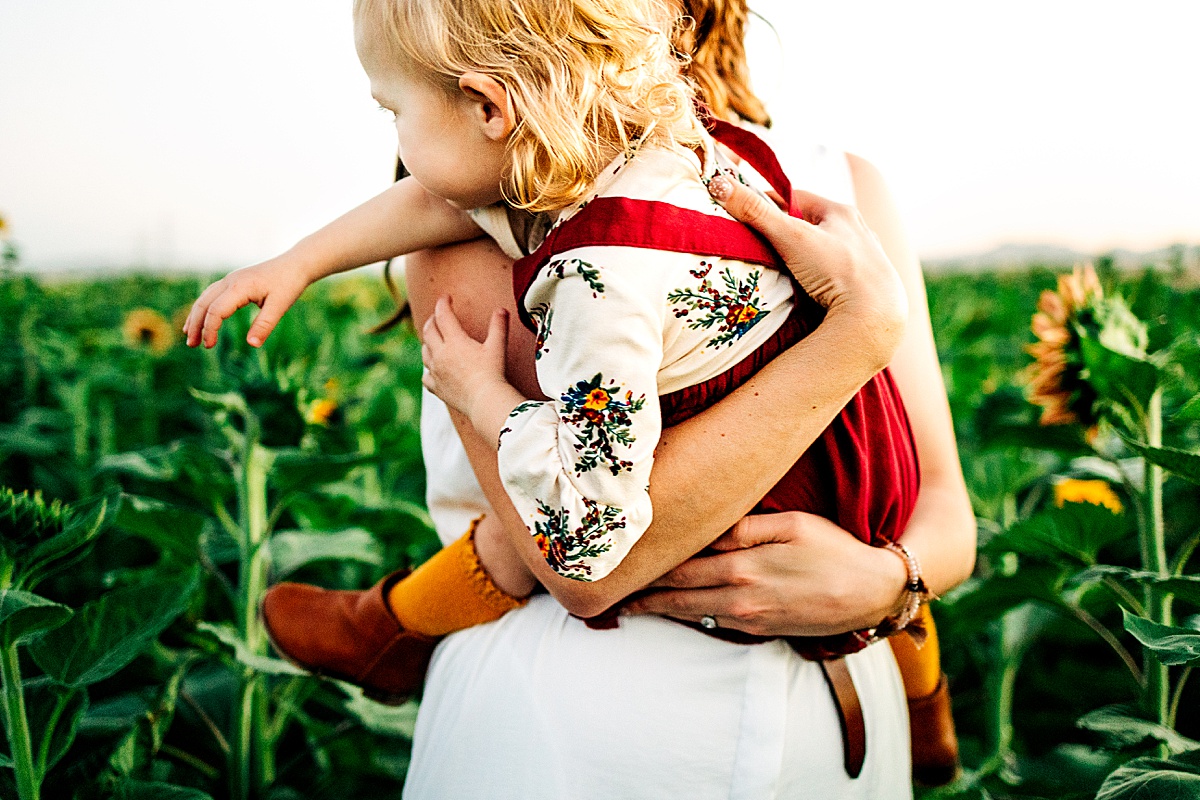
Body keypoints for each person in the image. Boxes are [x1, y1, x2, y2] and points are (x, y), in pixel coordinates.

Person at [183, 0, 976, 795]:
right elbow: (583, 572)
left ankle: (390, 626)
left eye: (391, 111)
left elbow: (940, 511)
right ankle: (392, 625)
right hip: (583, 738)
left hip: (830, 735)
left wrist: (886, 586)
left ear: (491, 99)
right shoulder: (530, 182)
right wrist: (859, 334)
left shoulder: (605, 262)